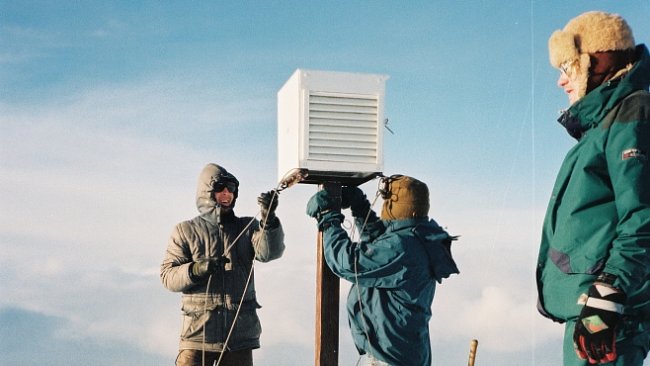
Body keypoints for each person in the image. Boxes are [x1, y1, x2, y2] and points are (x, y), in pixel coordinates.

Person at [536, 11, 650, 365]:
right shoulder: (605, 123)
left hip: (607, 315)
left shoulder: (633, 113)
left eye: (567, 68)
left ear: (596, 64)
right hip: (593, 313)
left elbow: (643, 215)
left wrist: (608, 294)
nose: (561, 82)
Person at [306, 175, 459, 366]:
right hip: (404, 355)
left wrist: (328, 217)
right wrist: (361, 209)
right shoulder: (419, 239)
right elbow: (379, 250)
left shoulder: (404, 246)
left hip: (390, 357)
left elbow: (347, 262)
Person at [161, 163, 285, 366]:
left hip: (239, 342)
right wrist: (196, 269)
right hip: (198, 339)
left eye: (231, 189)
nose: (227, 194)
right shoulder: (185, 231)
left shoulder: (247, 227)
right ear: (206, 192)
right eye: (220, 189)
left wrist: (268, 220)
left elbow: (269, 253)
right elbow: (168, 277)